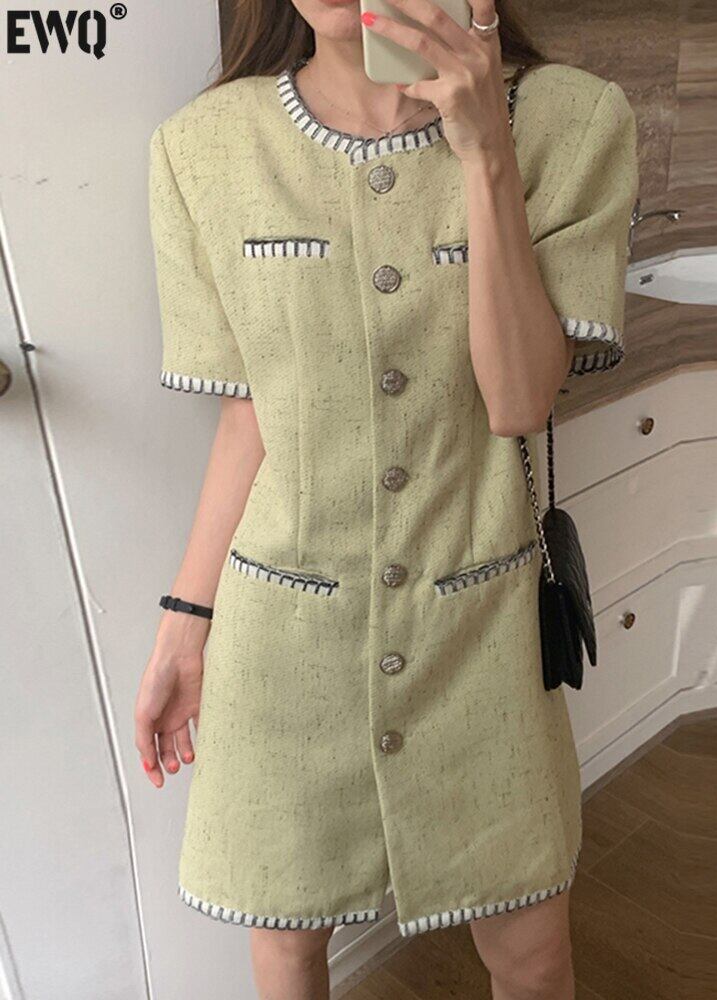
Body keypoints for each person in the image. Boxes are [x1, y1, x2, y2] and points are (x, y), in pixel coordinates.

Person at [134, 0, 639, 995]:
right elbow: (249, 419)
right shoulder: (201, 149)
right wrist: (185, 626)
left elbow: (521, 400)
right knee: (287, 939)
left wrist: (485, 151)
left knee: (532, 955)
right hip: (284, 637)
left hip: (480, 631)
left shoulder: (571, 121)